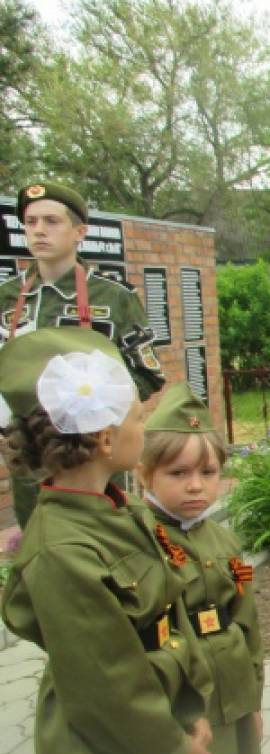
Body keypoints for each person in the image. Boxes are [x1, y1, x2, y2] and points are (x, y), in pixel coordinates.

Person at [0, 328, 213, 754]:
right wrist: (170, 745)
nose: (144, 429)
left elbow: (165, 620)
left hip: (135, 733)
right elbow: (104, 677)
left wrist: (190, 707)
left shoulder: (111, 512)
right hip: (108, 746)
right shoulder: (64, 548)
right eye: (136, 420)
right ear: (101, 437)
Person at [138, 383, 264, 754]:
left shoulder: (224, 537)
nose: (196, 486)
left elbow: (246, 613)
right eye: (178, 473)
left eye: (208, 473)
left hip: (225, 691)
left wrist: (253, 695)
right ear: (144, 474)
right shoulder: (143, 540)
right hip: (182, 703)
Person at [1, 180, 165, 527]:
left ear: (80, 231)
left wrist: (99, 406)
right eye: (30, 223)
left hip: (92, 450)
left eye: (51, 221)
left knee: (102, 532)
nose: (39, 231)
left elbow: (148, 372)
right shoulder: (7, 297)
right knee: (39, 533)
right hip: (31, 450)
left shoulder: (113, 296)